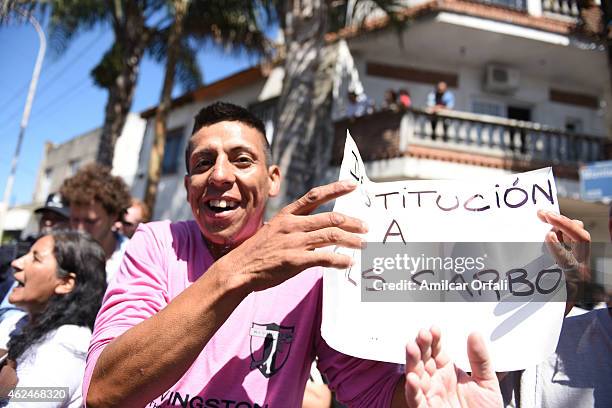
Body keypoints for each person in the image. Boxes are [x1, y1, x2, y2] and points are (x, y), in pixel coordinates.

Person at [84, 102, 588, 407]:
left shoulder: (317, 269)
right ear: (190, 183)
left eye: (241, 159)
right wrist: (240, 269)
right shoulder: (155, 244)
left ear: (272, 179)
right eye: (201, 163)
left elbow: (366, 392)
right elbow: (105, 392)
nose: (220, 175)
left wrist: (430, 395)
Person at [0, 230, 107, 406]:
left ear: (65, 283)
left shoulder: (68, 346)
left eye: (36, 258)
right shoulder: (16, 323)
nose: (16, 263)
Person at [60, 163, 131, 283]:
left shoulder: (133, 259)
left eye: (90, 221)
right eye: (75, 219)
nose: (80, 229)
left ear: (113, 216)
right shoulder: (57, 254)